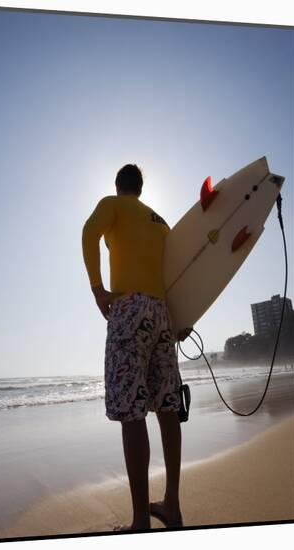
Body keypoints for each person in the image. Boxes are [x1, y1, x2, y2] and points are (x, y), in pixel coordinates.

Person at [82, 164, 191, 532]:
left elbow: (87, 234)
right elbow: (178, 272)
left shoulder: (111, 204)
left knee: (132, 413)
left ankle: (141, 521)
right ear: (142, 189)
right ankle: (172, 505)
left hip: (129, 310)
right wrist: (184, 317)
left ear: (118, 186)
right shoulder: (161, 222)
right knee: (167, 407)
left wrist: (98, 289)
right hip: (162, 314)